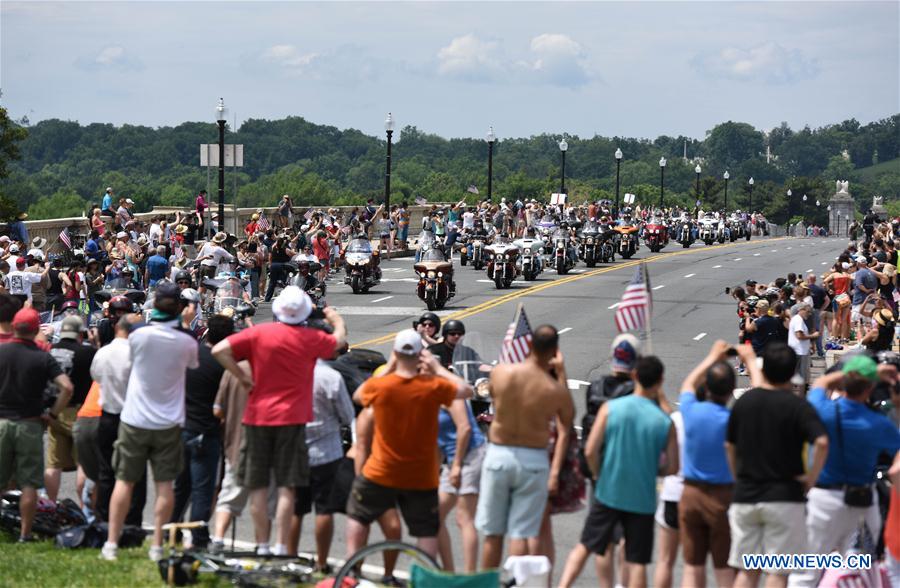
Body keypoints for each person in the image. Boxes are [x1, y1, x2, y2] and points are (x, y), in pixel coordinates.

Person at [212, 286, 346, 555]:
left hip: (258, 416)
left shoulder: (259, 332)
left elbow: (220, 351)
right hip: (293, 418)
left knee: (258, 485)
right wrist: (336, 320)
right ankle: (281, 545)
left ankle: (262, 543)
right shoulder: (310, 337)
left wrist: (242, 376)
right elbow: (339, 344)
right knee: (287, 486)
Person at [345, 330, 473, 561]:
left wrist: (392, 366)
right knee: (426, 531)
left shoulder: (381, 386)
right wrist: (437, 368)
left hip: (381, 470)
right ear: (420, 355)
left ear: (395, 353)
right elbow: (466, 390)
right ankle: (424, 576)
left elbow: (358, 395)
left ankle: (352, 571)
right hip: (420, 475)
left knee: (359, 517)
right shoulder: (432, 385)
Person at [558, 356, 678, 588]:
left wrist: (597, 474)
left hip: (609, 491)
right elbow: (672, 466)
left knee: (586, 545)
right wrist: (654, 468)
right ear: (661, 380)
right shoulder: (664, 421)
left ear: (634, 376)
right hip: (642, 498)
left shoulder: (611, 408)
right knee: (636, 561)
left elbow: (591, 449)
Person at [102, 283, 200, 562]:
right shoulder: (187, 341)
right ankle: (158, 544)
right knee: (165, 485)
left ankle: (111, 543)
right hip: (168, 421)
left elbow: (130, 358)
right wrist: (185, 325)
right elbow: (191, 365)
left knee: (124, 481)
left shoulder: (138, 336)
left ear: (154, 306)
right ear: (180, 309)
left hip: (134, 418)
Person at [788, 356, 900, 587]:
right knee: (858, 570)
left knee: (806, 572)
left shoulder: (824, 411)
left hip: (823, 500)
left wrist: (865, 373)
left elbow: (820, 384)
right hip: (863, 503)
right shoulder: (878, 424)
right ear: (870, 388)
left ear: (844, 383)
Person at [725, 343, 829, 588]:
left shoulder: (745, 402)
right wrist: (810, 479)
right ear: (792, 370)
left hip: (746, 492)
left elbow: (729, 446)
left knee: (747, 569)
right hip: (784, 495)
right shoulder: (798, 406)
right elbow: (822, 442)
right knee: (778, 570)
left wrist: (735, 477)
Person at [476, 326, 575, 569]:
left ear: (529, 346)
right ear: (554, 351)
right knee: (520, 532)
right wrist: (560, 372)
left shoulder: (502, 373)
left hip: (500, 453)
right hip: (533, 458)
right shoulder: (554, 390)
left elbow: (492, 396)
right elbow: (568, 420)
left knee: (492, 533)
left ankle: (486, 585)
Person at [679, 341, 761, 588]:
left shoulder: (690, 410)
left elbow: (687, 385)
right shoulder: (735, 419)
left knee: (692, 567)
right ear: (731, 391)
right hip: (722, 497)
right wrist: (751, 359)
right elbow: (759, 397)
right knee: (724, 568)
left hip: (691, 493)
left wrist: (712, 357)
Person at [0, 307, 73, 542]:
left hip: (1, 422)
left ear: (14, 327)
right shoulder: (43, 355)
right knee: (30, 482)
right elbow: (67, 387)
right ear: (35, 330)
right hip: (30, 424)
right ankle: (25, 533)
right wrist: (53, 413)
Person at [170, 315, 233, 549]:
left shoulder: (189, 355)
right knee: (203, 489)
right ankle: (198, 537)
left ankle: (171, 529)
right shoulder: (223, 364)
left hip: (183, 426)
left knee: (181, 485)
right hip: (207, 430)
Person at [288, 355, 355, 569]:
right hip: (327, 452)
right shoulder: (330, 376)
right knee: (324, 509)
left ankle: (289, 557)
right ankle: (322, 562)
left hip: (297, 449)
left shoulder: (291, 373)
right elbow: (347, 415)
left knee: (296, 509)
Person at [44, 315, 96, 502]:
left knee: (53, 463)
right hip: (80, 411)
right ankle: (83, 506)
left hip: (55, 411)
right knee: (83, 463)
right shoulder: (88, 353)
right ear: (80, 333)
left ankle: (50, 505)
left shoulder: (50, 351)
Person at [436, 391, 485, 573]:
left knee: (464, 518)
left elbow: (465, 428)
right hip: (452, 459)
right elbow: (437, 442)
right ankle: (449, 573)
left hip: (471, 455)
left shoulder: (446, 391)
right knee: (435, 517)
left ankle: (470, 577)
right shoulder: (421, 396)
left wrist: (456, 465)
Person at [788, 304, 819, 386]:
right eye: (808, 312)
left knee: (796, 375)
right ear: (801, 310)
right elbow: (799, 336)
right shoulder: (798, 320)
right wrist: (813, 335)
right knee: (801, 377)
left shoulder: (797, 319)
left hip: (799, 350)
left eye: (810, 313)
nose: (809, 314)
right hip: (800, 352)